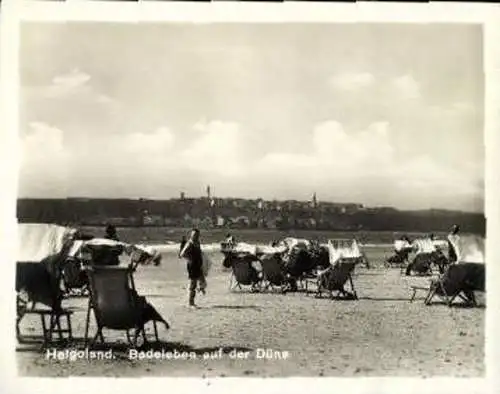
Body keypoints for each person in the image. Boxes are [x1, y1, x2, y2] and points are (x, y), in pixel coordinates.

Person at [179, 229, 207, 308]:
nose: (195, 236)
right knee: (192, 284)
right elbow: (182, 254)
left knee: (201, 282)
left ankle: (199, 291)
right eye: (194, 235)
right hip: (192, 266)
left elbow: (199, 253)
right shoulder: (189, 243)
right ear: (191, 235)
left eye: (197, 235)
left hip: (198, 265)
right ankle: (190, 303)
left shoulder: (197, 243)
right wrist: (189, 259)